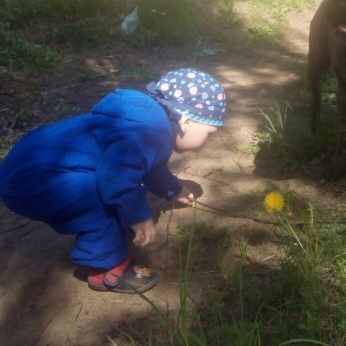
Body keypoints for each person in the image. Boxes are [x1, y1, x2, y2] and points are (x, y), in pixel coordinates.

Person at [0, 68, 226, 294]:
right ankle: (106, 268)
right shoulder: (149, 132)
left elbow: (149, 167)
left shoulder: (147, 122)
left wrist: (173, 189)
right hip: (33, 181)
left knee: (109, 189)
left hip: (26, 165)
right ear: (186, 122)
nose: (208, 141)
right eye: (209, 133)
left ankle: (109, 243)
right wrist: (138, 215)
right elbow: (116, 177)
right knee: (99, 200)